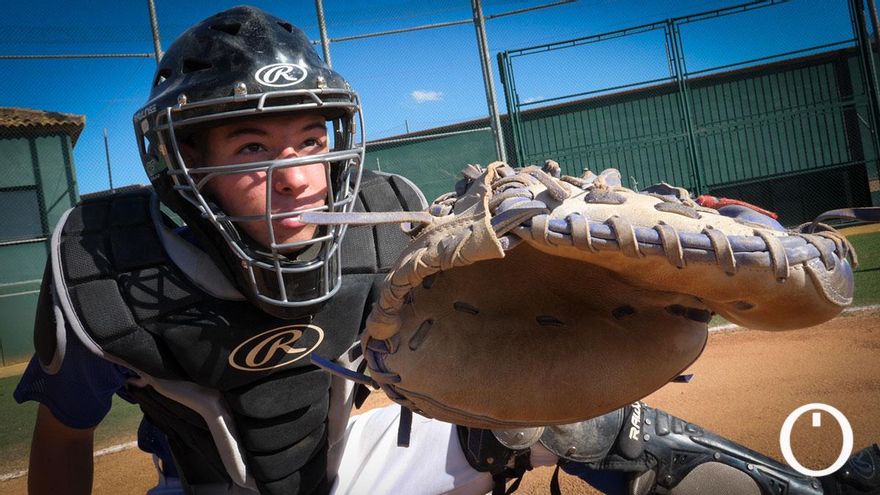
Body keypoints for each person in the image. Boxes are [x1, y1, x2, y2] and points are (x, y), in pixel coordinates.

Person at [14, 5, 880, 495]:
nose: (299, 176)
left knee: (557, 412)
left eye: (311, 140)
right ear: (183, 159)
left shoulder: (385, 219)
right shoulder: (106, 266)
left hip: (352, 470)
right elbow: (64, 434)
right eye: (252, 149)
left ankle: (817, 490)